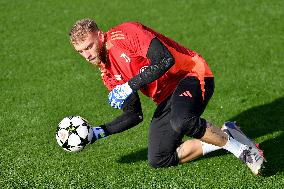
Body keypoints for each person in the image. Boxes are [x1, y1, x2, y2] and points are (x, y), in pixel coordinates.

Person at [69, 18, 265, 175]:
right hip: (167, 96)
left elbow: (165, 59)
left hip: (191, 74)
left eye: (89, 46)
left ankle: (244, 151)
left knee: (181, 121)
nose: (87, 55)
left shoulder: (125, 33)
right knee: (159, 158)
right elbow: (134, 114)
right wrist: (99, 132)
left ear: (100, 36)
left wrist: (130, 85)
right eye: (80, 51)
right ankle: (227, 134)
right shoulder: (107, 74)